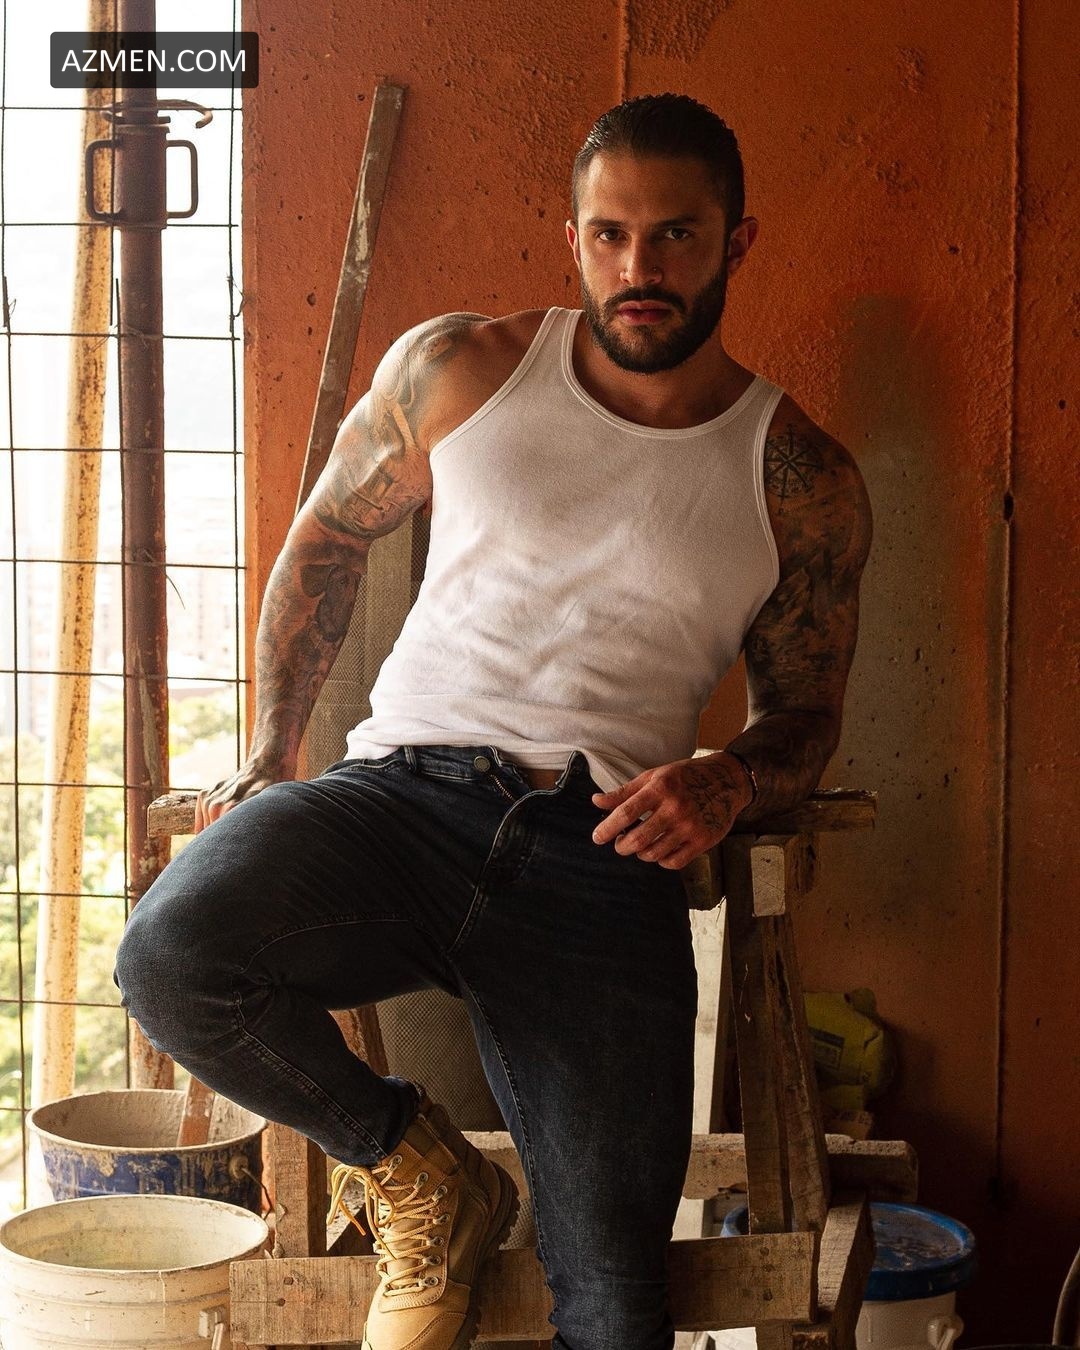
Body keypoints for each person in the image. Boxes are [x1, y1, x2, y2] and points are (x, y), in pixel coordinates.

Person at [115, 92, 871, 1350]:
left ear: (736, 241)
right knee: (170, 956)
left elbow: (805, 714)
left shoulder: (799, 476)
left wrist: (728, 782)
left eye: (676, 236)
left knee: (616, 1312)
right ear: (574, 237)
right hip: (396, 800)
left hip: (600, 851)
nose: (639, 268)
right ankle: (421, 1171)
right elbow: (325, 543)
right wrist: (271, 752)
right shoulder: (462, 367)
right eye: (610, 235)